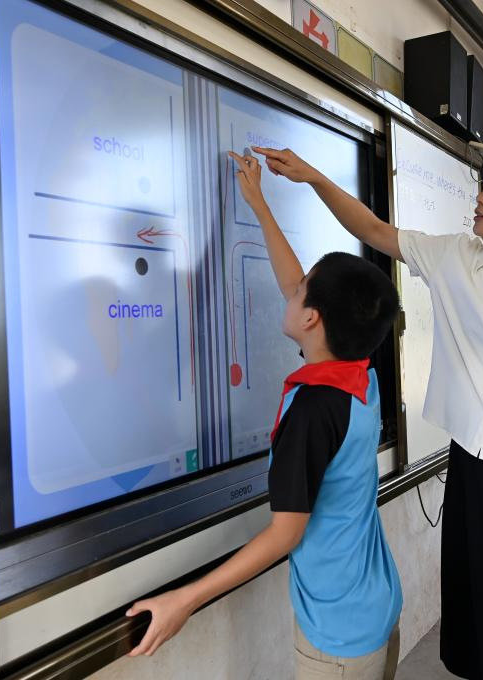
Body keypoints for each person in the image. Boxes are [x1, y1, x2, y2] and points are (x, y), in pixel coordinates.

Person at [251, 140, 483, 679]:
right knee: (479, 641)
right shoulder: (457, 259)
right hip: (472, 473)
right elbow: (374, 230)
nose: (481, 197)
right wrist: (313, 177)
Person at [125, 150, 403, 680]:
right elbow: (296, 283)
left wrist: (186, 599)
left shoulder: (312, 413)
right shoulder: (358, 373)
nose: (291, 288)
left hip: (337, 637)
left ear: (312, 319)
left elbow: (284, 535)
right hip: (375, 602)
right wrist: (258, 204)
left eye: (301, 290)